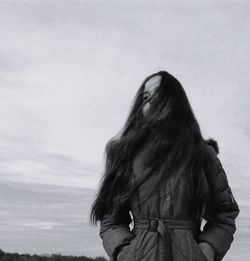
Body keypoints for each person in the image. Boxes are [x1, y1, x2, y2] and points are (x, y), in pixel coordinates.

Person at [89, 70, 240, 261]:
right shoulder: (126, 155)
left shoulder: (202, 154)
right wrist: (123, 253)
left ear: (175, 102)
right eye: (145, 97)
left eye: (159, 95)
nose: (151, 102)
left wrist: (206, 252)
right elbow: (110, 217)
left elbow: (224, 214)